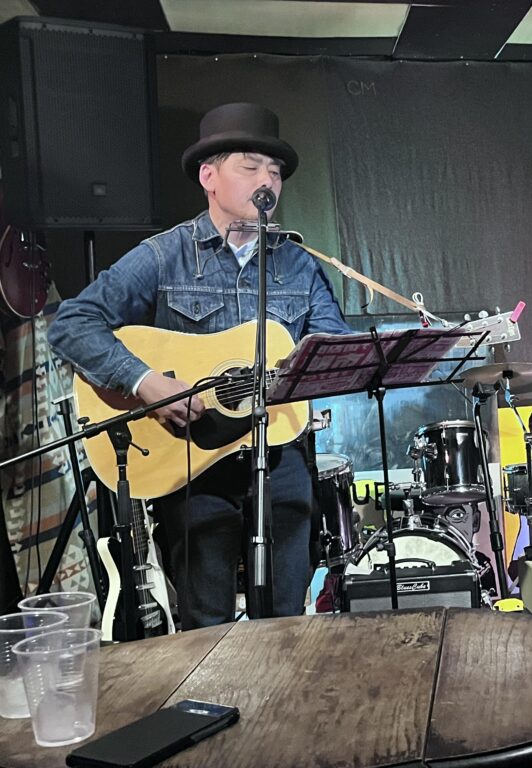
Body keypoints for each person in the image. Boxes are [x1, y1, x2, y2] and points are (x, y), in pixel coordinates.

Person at [48, 102, 353, 629]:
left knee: (288, 623)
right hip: (192, 463)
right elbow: (72, 324)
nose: (267, 181)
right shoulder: (164, 256)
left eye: (275, 172)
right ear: (208, 177)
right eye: (250, 167)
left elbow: (337, 348)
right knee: (206, 625)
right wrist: (145, 382)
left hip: (282, 460)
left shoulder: (299, 264)